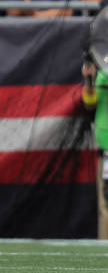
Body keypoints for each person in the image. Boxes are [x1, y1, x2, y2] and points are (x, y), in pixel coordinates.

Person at [81, 43, 108, 239]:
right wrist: (89, 81)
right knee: (105, 206)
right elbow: (89, 104)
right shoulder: (103, 70)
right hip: (105, 151)